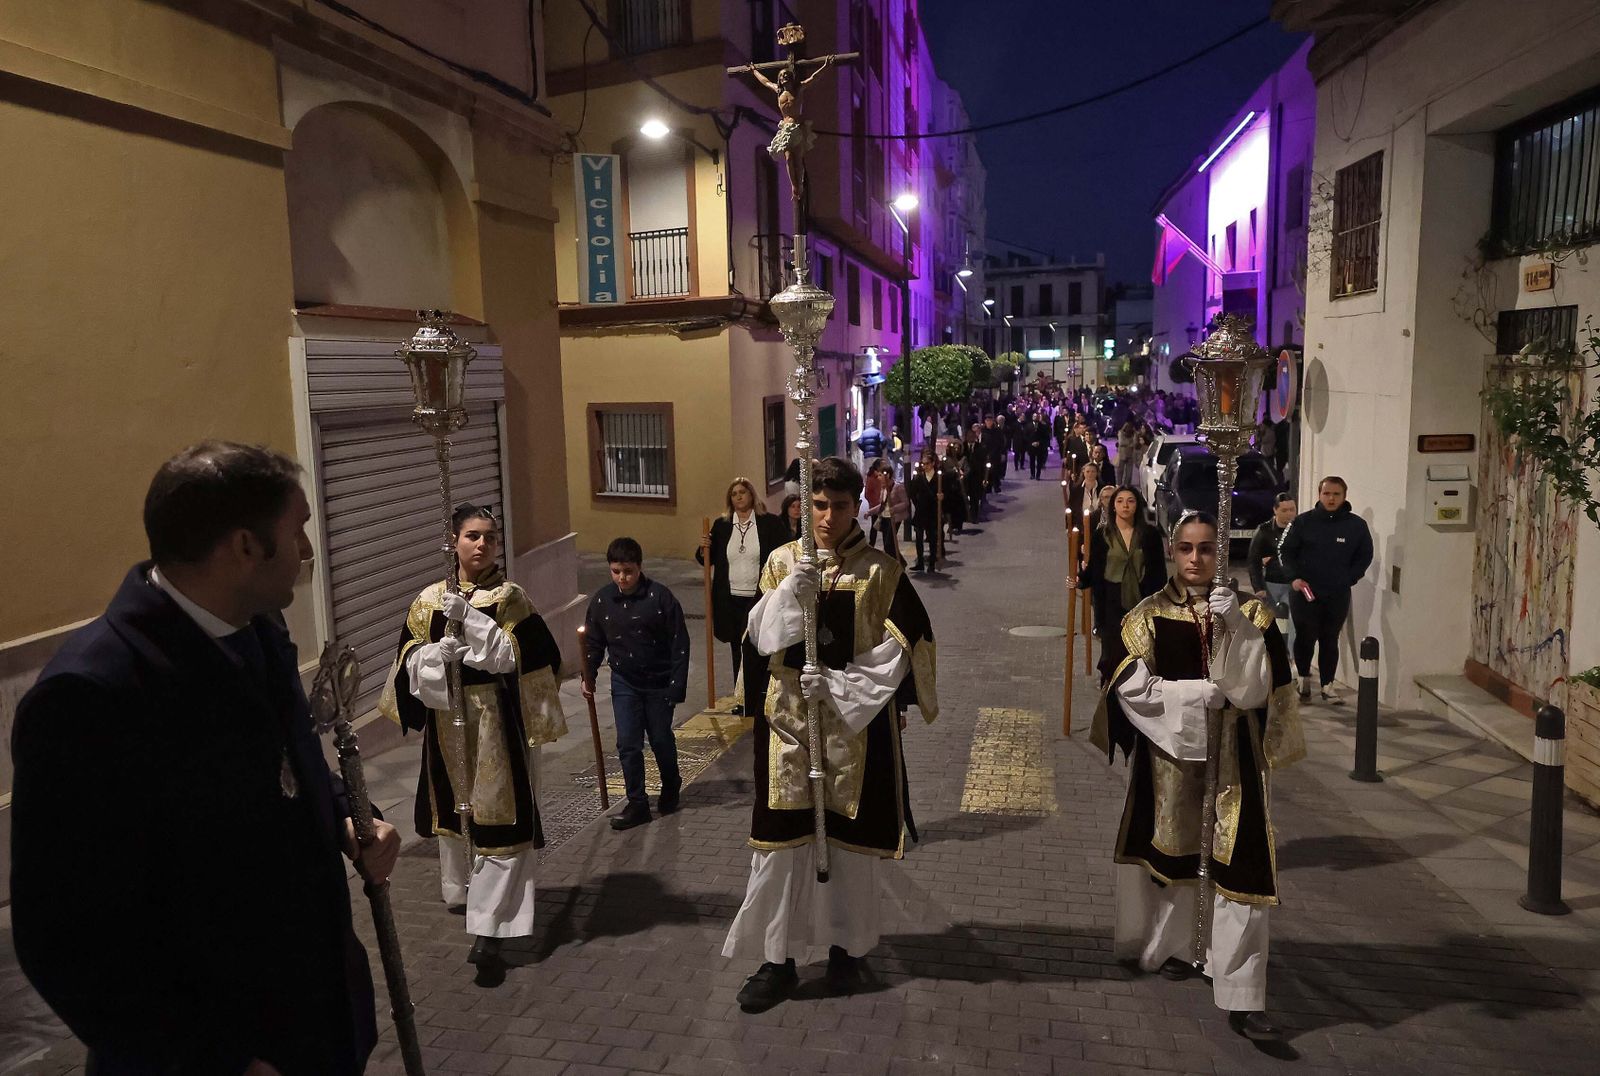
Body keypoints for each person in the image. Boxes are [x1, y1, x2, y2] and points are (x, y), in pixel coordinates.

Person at [12, 441, 395, 1074]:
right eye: (297, 529)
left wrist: (347, 816)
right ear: (245, 546)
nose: (307, 550)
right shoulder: (90, 695)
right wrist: (214, 1061)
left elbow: (284, 766)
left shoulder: (259, 628)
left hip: (314, 1028)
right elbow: (67, 938)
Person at [724, 457, 939, 1012]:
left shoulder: (882, 572)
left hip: (854, 732)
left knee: (849, 851)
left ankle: (848, 950)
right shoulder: (781, 562)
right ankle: (777, 962)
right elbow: (759, 637)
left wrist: (841, 686)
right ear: (805, 505)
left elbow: (904, 649)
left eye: (839, 506)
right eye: (818, 505)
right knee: (780, 850)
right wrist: (791, 595)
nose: (827, 517)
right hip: (789, 728)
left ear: (855, 507)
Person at [1090, 511, 1303, 1043]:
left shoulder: (1252, 611)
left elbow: (1264, 689)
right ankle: (1179, 948)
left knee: (1242, 872)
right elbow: (1127, 684)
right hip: (1171, 761)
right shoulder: (1146, 615)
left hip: (1236, 765)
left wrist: (1239, 628)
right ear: (1171, 552)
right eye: (1185, 549)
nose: (1195, 559)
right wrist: (1190, 699)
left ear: (1220, 552)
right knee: (1175, 862)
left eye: (1206, 549)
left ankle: (1242, 995)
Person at [380, 502, 565, 970]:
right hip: (448, 724)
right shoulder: (427, 600)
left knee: (502, 823)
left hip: (496, 724)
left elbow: (522, 656)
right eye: (472, 536)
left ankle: (491, 931)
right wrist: (432, 657)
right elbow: (406, 668)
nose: (482, 544)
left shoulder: (510, 597)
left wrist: (476, 622)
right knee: (457, 817)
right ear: (454, 542)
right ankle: (463, 892)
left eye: (490, 537)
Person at [582, 538, 691, 830]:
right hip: (624, 682)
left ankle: (670, 783)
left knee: (659, 738)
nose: (622, 578)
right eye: (616, 571)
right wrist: (588, 675)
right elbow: (593, 643)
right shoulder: (603, 600)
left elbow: (679, 643)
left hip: (658, 682)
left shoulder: (660, 598)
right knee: (628, 743)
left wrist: (676, 686)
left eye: (628, 571)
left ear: (639, 567)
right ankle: (637, 803)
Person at [1277, 477, 1373, 704]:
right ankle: (1302, 678)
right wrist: (1294, 579)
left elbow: (1364, 556)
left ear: (1344, 496)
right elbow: (1284, 550)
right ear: (1319, 495)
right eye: (1327, 493)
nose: (1331, 498)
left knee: (1330, 639)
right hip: (1305, 592)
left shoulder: (1356, 526)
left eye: (1336, 494)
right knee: (1305, 637)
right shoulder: (1302, 523)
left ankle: (1328, 685)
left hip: (1337, 593)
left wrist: (1349, 578)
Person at [697, 477, 788, 694]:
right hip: (730, 598)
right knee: (737, 649)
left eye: (742, 492)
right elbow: (708, 559)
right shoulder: (722, 525)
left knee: (758, 646)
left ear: (751, 495)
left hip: (758, 597)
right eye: (734, 494)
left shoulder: (770, 523)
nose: (738, 497)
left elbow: (782, 553)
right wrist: (703, 549)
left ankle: (762, 692)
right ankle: (742, 696)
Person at [1074, 486, 1167, 684]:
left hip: (1141, 598)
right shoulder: (1103, 535)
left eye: (1130, 501)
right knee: (1112, 645)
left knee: (1139, 645)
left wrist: (1161, 601)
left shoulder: (1149, 535)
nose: (1125, 505)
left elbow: (1158, 571)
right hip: (1111, 598)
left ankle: (1138, 684)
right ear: (1113, 506)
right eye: (1120, 501)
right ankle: (1110, 683)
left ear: (1137, 505)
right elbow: (1096, 567)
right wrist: (1081, 580)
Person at [1247, 493, 1298, 653]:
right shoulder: (1264, 531)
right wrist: (1258, 587)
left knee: (1292, 624)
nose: (1289, 514)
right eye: (1284, 510)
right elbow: (1253, 560)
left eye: (1292, 509)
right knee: (1272, 623)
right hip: (1271, 584)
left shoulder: (1299, 529)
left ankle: (1289, 657)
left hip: (1292, 584)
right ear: (1275, 510)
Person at [907, 449, 940, 572]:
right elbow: (912, 493)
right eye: (923, 464)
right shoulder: (919, 478)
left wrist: (941, 497)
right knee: (919, 539)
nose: (924, 466)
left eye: (926, 464)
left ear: (932, 464)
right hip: (921, 512)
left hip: (932, 512)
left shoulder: (938, 477)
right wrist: (918, 503)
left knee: (932, 538)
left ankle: (931, 564)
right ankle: (920, 562)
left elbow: (945, 492)